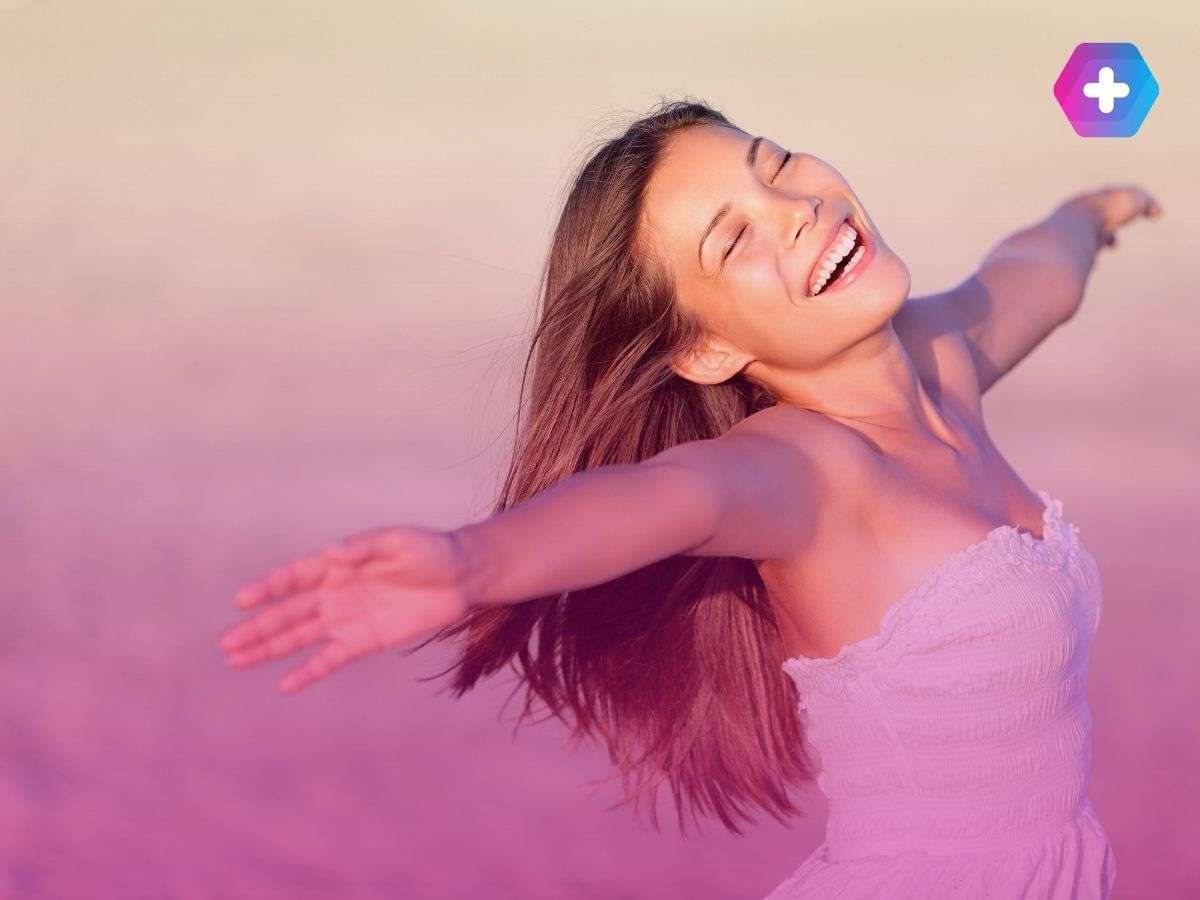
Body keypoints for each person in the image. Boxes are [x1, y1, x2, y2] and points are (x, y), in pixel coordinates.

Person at [217, 98, 1162, 898]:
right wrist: (474, 563)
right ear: (707, 350)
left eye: (776, 164)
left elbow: (1038, 274)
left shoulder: (945, 355)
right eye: (735, 236)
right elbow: (662, 497)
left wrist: (1097, 207)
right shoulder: (799, 472)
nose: (795, 205)